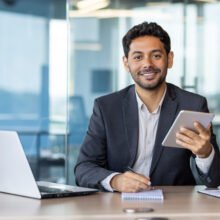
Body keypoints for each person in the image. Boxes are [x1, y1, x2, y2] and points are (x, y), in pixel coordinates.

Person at [74, 21, 220, 192]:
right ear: (126, 63)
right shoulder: (106, 107)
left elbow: (215, 181)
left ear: (169, 59)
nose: (147, 64)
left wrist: (205, 154)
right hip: (117, 205)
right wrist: (116, 181)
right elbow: (83, 168)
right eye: (137, 57)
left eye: (156, 56)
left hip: (175, 205)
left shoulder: (193, 105)